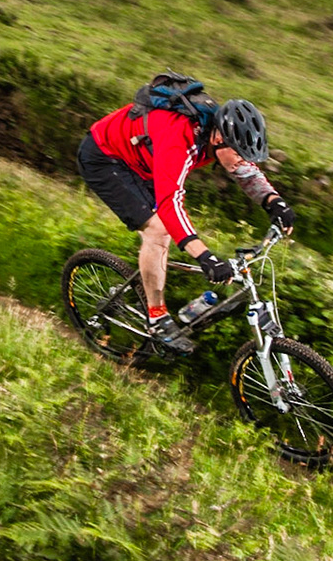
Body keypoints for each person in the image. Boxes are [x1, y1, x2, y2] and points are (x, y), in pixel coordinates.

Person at [78, 76, 294, 353]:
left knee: (166, 230)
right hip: (105, 158)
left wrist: (274, 201)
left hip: (144, 161)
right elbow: (170, 204)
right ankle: (157, 319)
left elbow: (246, 172)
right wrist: (205, 257)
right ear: (218, 138)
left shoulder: (218, 138)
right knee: (158, 230)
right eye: (240, 155)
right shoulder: (179, 138)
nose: (243, 162)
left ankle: (152, 288)